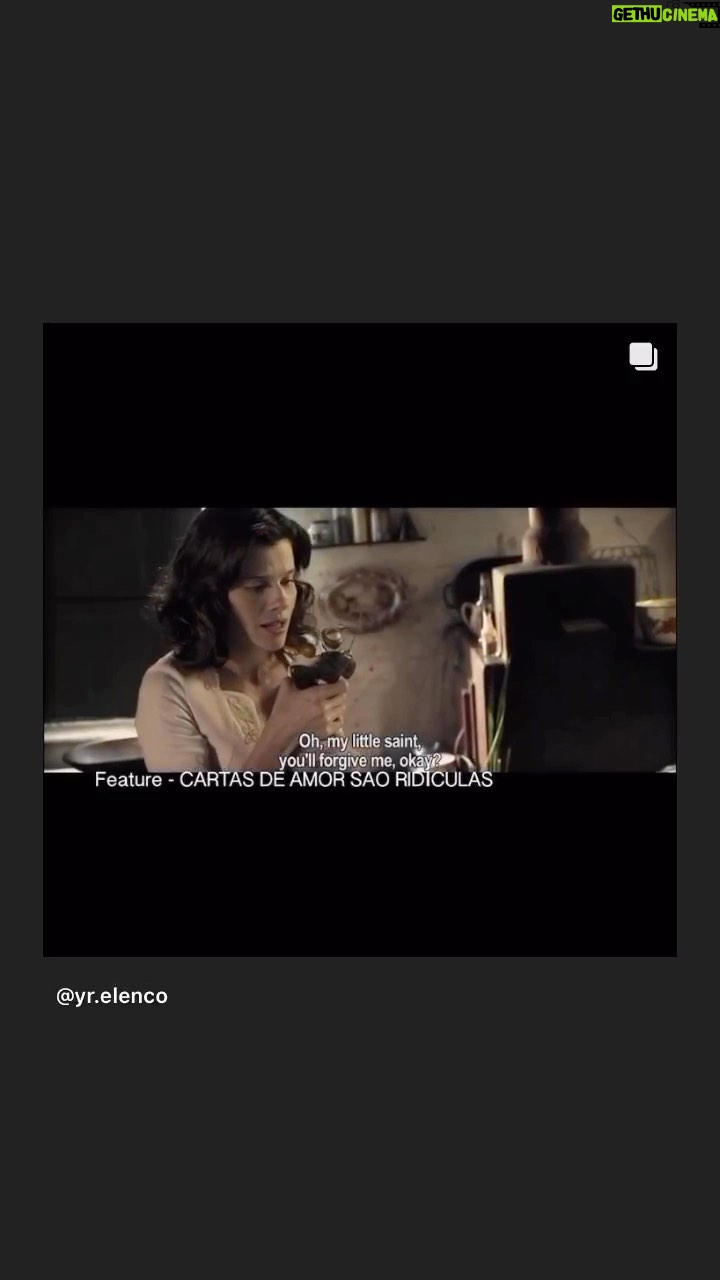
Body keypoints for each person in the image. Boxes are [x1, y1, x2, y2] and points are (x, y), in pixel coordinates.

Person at [135, 508, 347, 771]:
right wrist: (283, 728)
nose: (281, 601)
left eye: (287, 580)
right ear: (211, 594)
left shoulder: (302, 660)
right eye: (257, 587)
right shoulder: (169, 687)